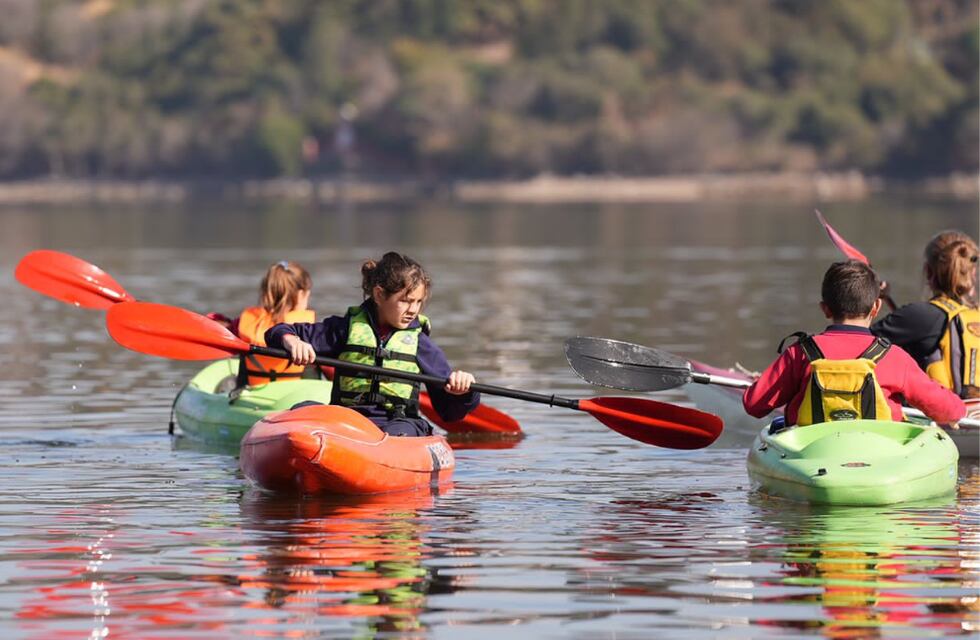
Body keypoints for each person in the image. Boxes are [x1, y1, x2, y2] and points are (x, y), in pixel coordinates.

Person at [265, 252, 479, 437]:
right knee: (301, 410)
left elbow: (449, 412)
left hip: (398, 423)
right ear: (379, 294)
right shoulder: (345, 329)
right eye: (405, 301)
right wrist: (291, 341)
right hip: (347, 419)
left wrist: (464, 392)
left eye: (418, 302)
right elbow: (278, 331)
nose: (413, 309)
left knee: (398, 433)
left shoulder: (420, 344)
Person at [743, 260, 965, 428]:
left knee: (777, 426)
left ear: (825, 309)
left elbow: (754, 404)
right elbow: (948, 410)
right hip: (879, 455)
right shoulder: (895, 357)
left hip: (812, 456)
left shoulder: (799, 353)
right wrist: (959, 409)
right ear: (876, 308)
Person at [872, 231, 979, 400]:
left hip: (946, 420)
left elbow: (857, 341)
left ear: (928, 271)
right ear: (973, 273)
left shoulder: (921, 315)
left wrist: (870, 298)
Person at [209, 260, 317, 387]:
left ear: (265, 291)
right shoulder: (309, 329)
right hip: (294, 396)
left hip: (252, 394)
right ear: (300, 295)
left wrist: (220, 321)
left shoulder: (245, 322)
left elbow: (216, 331)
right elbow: (329, 369)